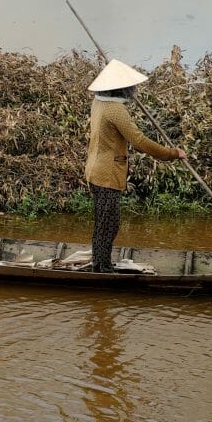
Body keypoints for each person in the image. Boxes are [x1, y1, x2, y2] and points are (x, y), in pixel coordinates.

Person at [84, 59, 186, 273]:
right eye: (131, 87)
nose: (134, 90)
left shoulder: (98, 103)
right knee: (108, 224)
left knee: (106, 223)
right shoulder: (115, 110)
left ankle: (101, 263)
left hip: (96, 169)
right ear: (121, 88)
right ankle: (101, 268)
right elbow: (139, 141)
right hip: (106, 174)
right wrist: (172, 154)